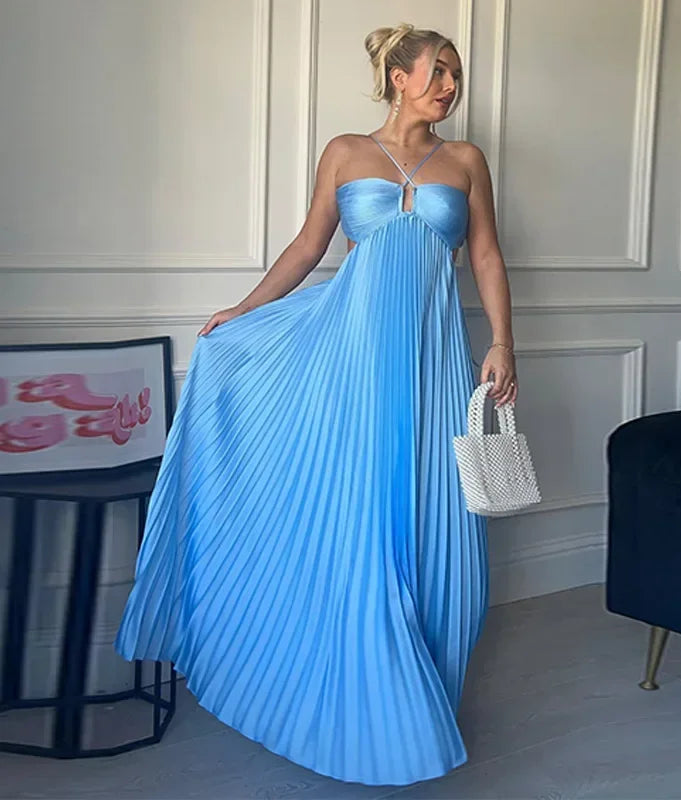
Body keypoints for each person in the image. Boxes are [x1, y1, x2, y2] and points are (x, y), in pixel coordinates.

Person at [114, 22, 518, 787]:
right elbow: (308, 246)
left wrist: (503, 343)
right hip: (353, 360)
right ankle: (369, 703)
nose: (450, 87)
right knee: (360, 515)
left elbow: (488, 255)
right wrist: (243, 310)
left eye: (456, 76)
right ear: (398, 77)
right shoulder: (345, 152)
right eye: (439, 72)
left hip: (433, 363)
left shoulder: (467, 161)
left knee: (441, 528)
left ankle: (423, 692)